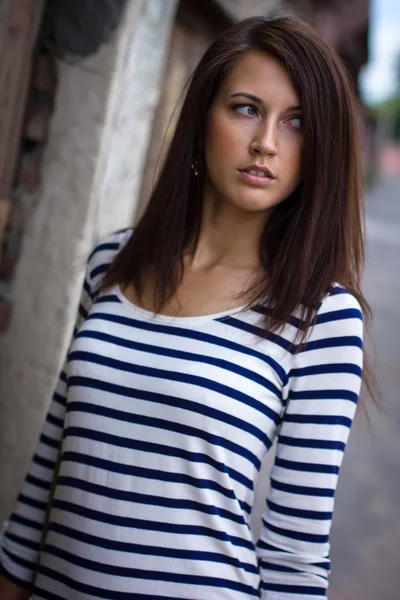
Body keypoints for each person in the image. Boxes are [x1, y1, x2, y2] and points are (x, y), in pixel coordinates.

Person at [0, 14, 372, 600]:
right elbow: (51, 460)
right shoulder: (112, 263)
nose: (266, 143)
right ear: (203, 117)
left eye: (296, 122)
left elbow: (295, 557)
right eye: (246, 108)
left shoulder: (321, 317)